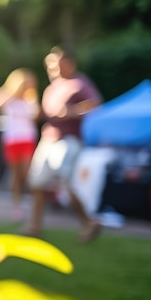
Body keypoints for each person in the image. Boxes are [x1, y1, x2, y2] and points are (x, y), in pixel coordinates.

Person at [21, 46, 103, 242]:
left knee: (66, 183)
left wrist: (71, 112)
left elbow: (96, 105)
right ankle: (34, 227)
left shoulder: (79, 83)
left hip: (68, 140)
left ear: (69, 64)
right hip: (48, 139)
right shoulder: (51, 88)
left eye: (56, 65)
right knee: (37, 184)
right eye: (49, 66)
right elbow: (45, 115)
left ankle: (89, 222)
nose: (53, 70)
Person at [0, 67, 40, 220]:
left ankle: (35, 203)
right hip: (11, 140)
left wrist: (31, 96)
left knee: (28, 173)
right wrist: (11, 91)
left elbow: (36, 115)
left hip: (26, 139)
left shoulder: (30, 99)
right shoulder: (8, 98)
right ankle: (17, 206)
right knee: (15, 175)